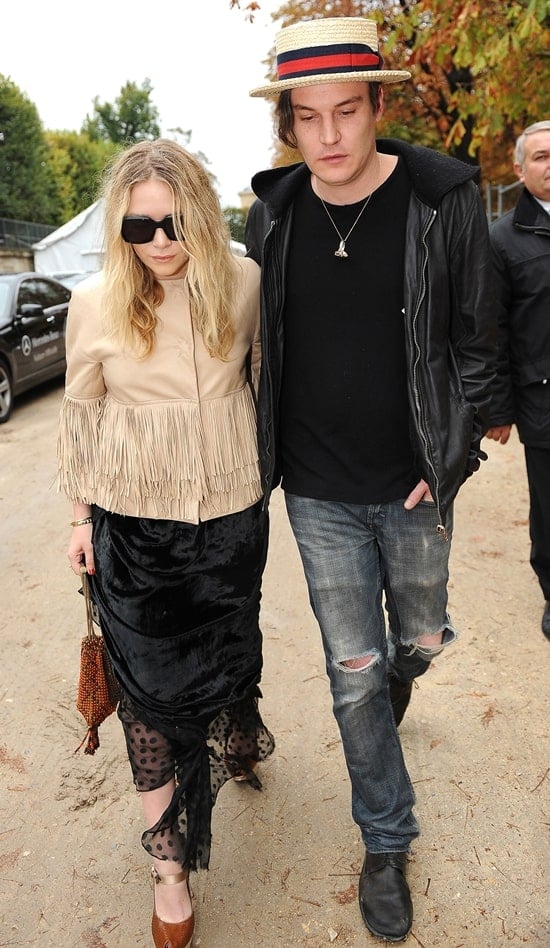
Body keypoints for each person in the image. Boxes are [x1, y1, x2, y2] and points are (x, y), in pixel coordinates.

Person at [245, 17, 495, 943]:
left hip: (415, 485)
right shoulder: (270, 213)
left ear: (379, 107)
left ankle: (405, 671)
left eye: (347, 112)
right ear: (290, 125)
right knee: (351, 673)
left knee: (420, 636)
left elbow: (476, 343)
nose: (330, 137)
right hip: (317, 490)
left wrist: (452, 456)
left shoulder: (443, 198)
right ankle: (386, 839)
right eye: (308, 119)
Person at [57, 138, 275, 948]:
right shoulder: (93, 305)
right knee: (146, 698)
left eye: (173, 221)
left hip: (229, 522)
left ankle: (239, 733)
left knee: (229, 656)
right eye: (137, 228)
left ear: (202, 212)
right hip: (136, 535)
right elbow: (79, 422)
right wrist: (81, 521)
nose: (157, 242)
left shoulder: (248, 280)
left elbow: (265, 380)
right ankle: (168, 869)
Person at [485, 121, 550, 641]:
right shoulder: (502, 239)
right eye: (542, 156)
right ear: (519, 168)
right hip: (541, 395)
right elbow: (494, 326)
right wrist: (498, 407)